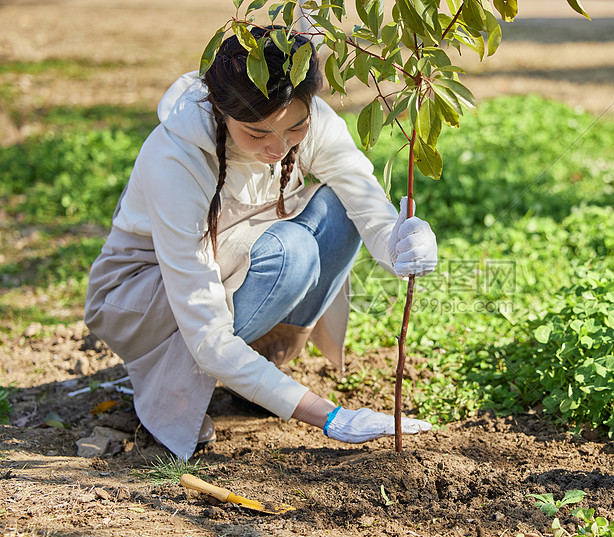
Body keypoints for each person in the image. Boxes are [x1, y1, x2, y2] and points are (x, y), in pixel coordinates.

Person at [84, 27, 437, 460]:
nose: (278, 147)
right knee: (292, 251)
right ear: (222, 111)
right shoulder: (176, 158)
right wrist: (328, 416)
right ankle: (178, 385)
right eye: (256, 134)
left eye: (296, 127)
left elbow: (366, 203)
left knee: (338, 209)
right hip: (145, 291)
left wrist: (402, 241)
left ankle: (258, 373)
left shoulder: (310, 123)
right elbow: (207, 332)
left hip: (238, 253)